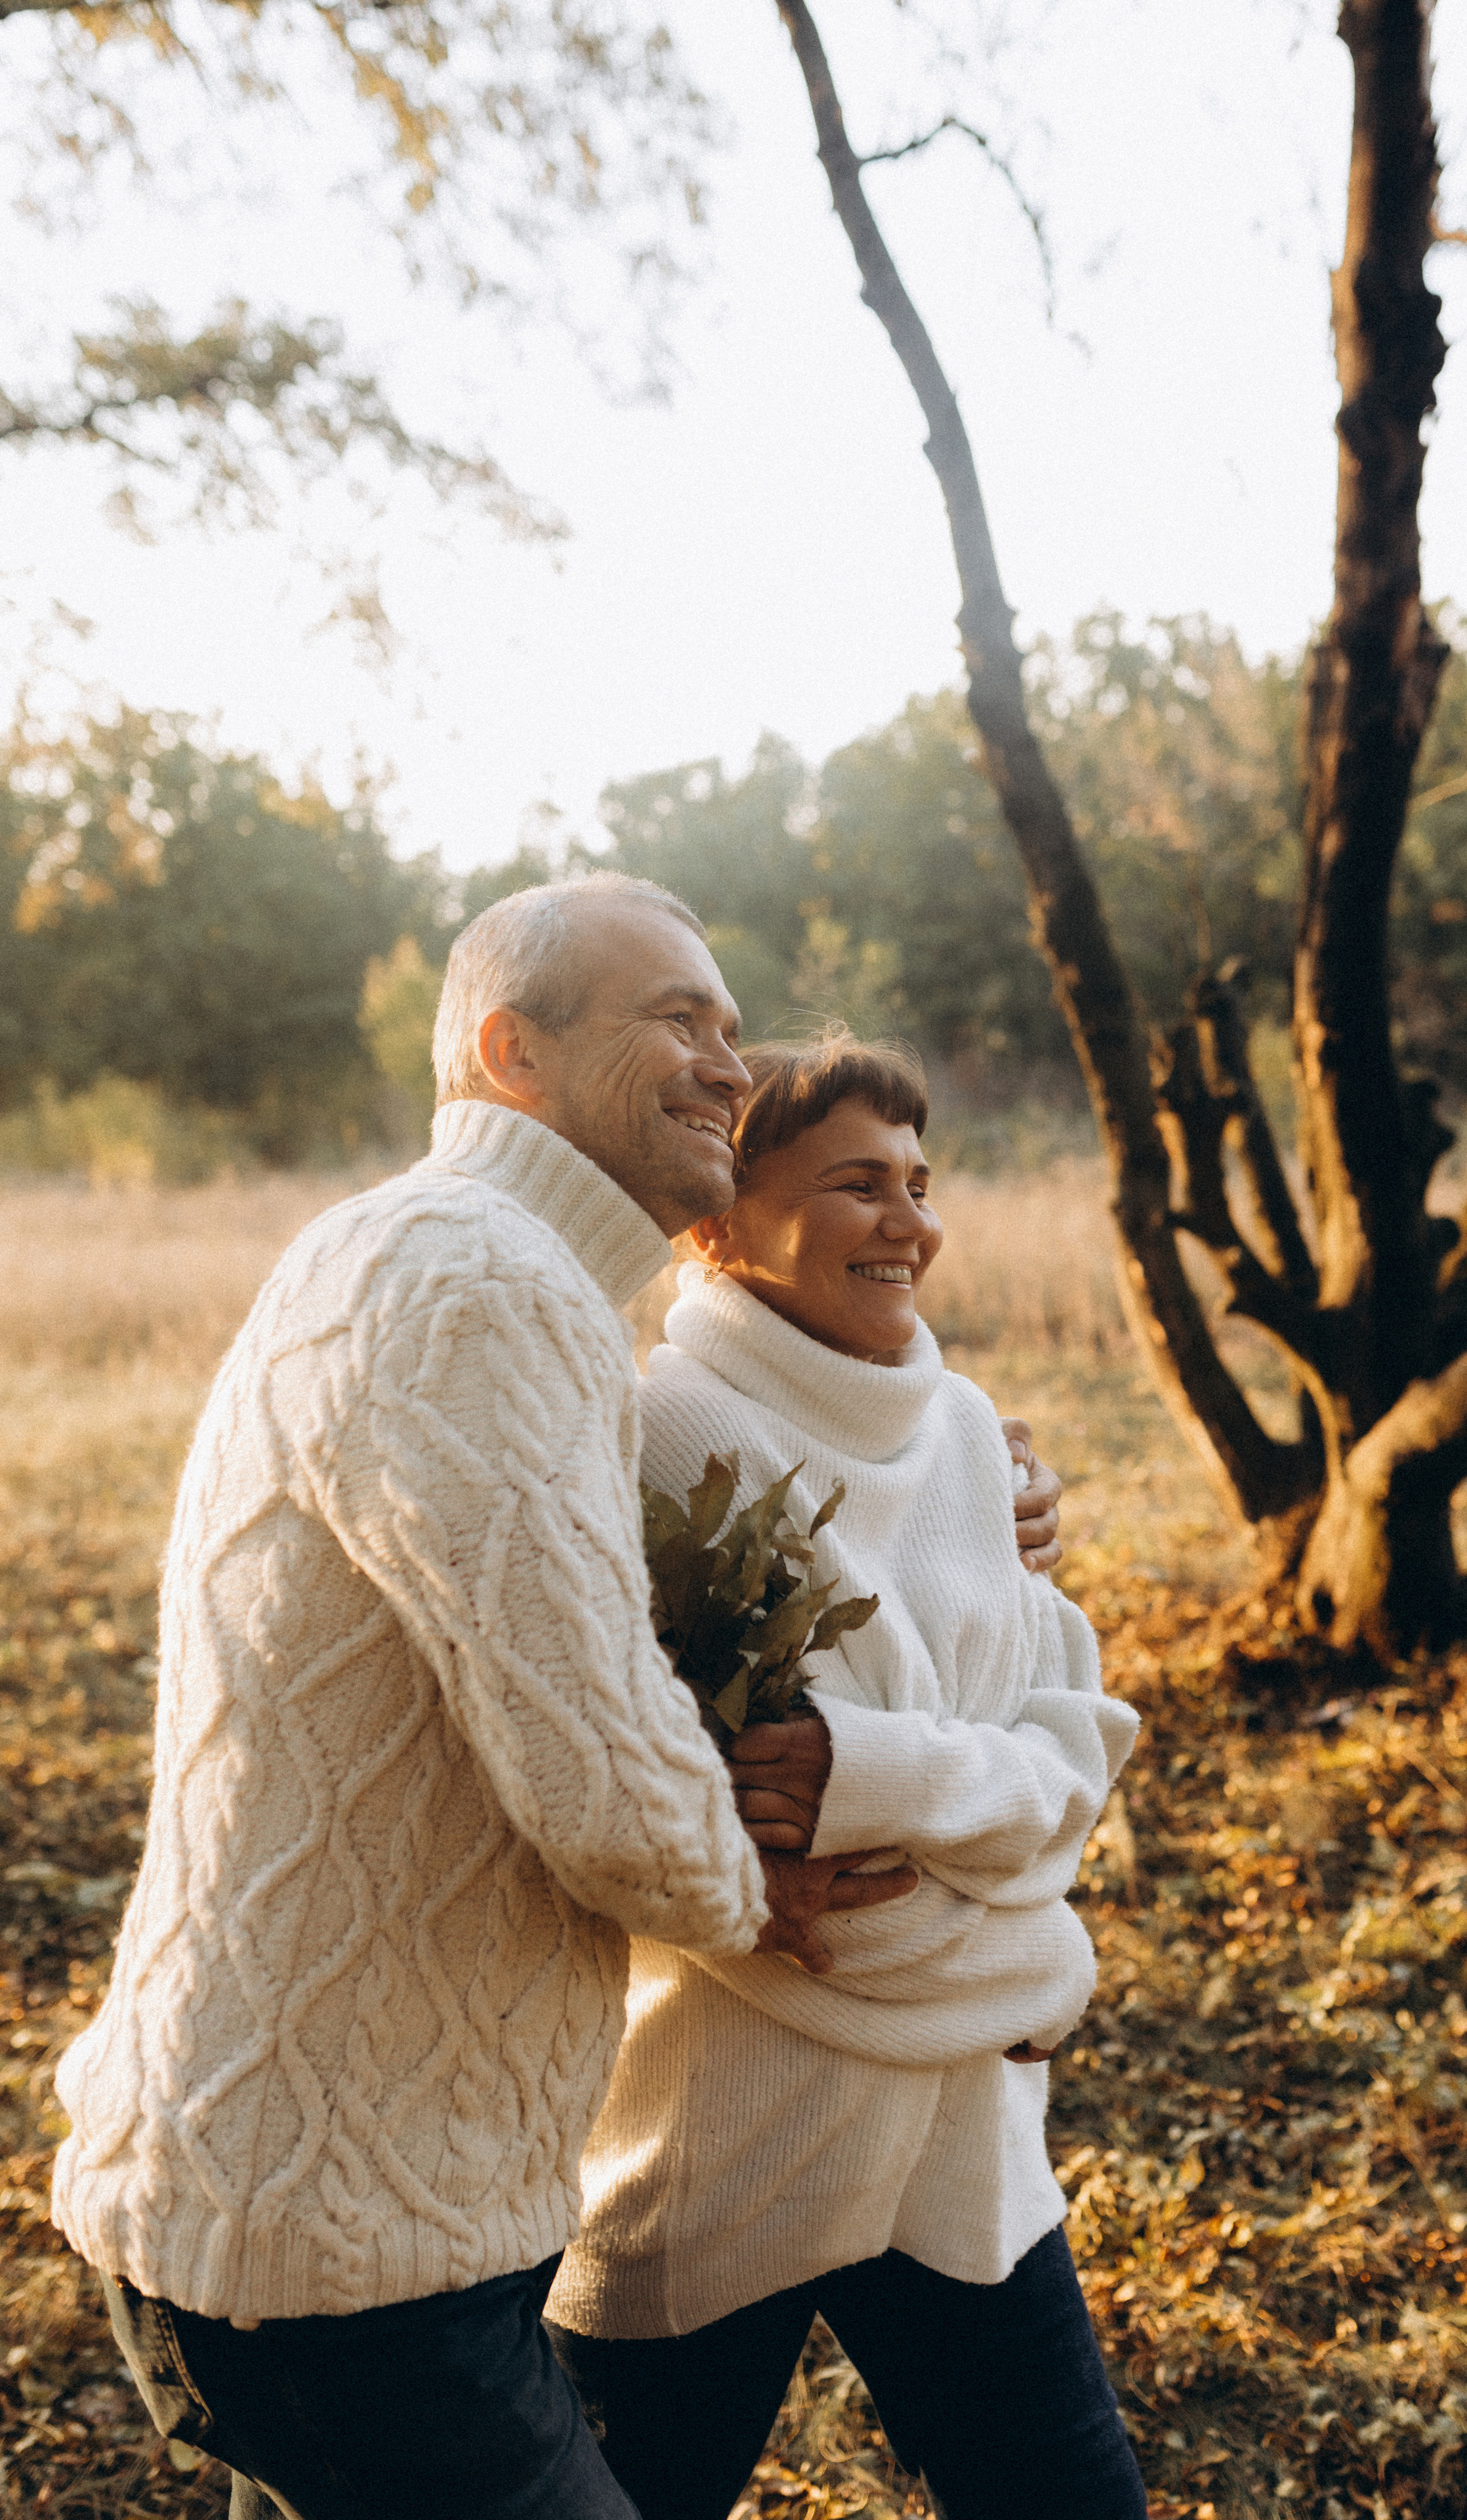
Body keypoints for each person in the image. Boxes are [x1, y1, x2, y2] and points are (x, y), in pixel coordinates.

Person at [50, 879, 939, 2520]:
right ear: (506, 1048)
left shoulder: (468, 1267)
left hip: (324, 2204)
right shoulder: (473, 1278)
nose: (728, 1067)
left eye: (733, 1030)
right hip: (334, 2253)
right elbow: (612, 1797)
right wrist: (753, 1881)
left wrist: (979, 1477)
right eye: (676, 1017)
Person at [550, 1032, 1147, 2520]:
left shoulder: (963, 1432)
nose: (908, 1222)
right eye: (855, 1184)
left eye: (919, 1183)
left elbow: (1073, 1752)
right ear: (717, 1219)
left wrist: (876, 1780)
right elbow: (763, 1857)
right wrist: (1014, 1941)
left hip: (961, 2136)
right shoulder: (661, 1438)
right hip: (734, 2114)